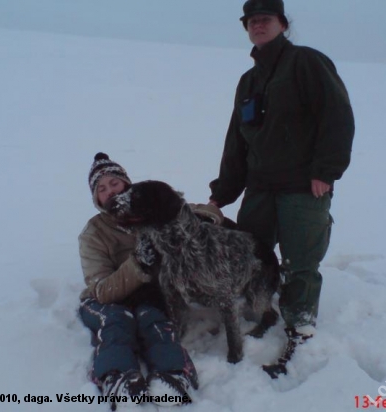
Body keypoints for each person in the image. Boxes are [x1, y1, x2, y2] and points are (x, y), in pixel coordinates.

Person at [208, 0, 355, 378]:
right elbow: (236, 142)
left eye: (265, 19)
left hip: (303, 186)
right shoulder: (249, 80)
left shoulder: (306, 62)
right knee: (251, 254)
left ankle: (300, 322)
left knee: (301, 260)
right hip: (260, 188)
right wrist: (222, 193)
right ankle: (260, 309)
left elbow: (336, 116)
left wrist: (326, 169)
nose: (258, 25)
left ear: (283, 24)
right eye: (251, 21)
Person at [78, 153, 203, 411]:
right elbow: (101, 290)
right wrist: (138, 264)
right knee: (116, 321)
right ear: (96, 198)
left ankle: (173, 375)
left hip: (148, 296)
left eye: (114, 183)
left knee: (153, 319)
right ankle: (117, 379)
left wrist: (208, 218)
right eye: (101, 189)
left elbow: (189, 209)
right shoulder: (93, 233)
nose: (109, 191)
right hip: (106, 301)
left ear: (126, 183)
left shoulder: (148, 208)